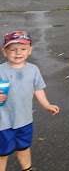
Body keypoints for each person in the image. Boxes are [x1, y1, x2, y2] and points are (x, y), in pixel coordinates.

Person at [0, 31, 60, 171]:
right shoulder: (0, 70)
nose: (18, 53)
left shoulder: (33, 70)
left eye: (23, 49)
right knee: (2, 153)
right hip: (3, 122)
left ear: (29, 51)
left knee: (24, 148)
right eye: (13, 49)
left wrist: (46, 104)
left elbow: (38, 89)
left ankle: (27, 168)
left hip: (24, 120)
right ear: (4, 52)